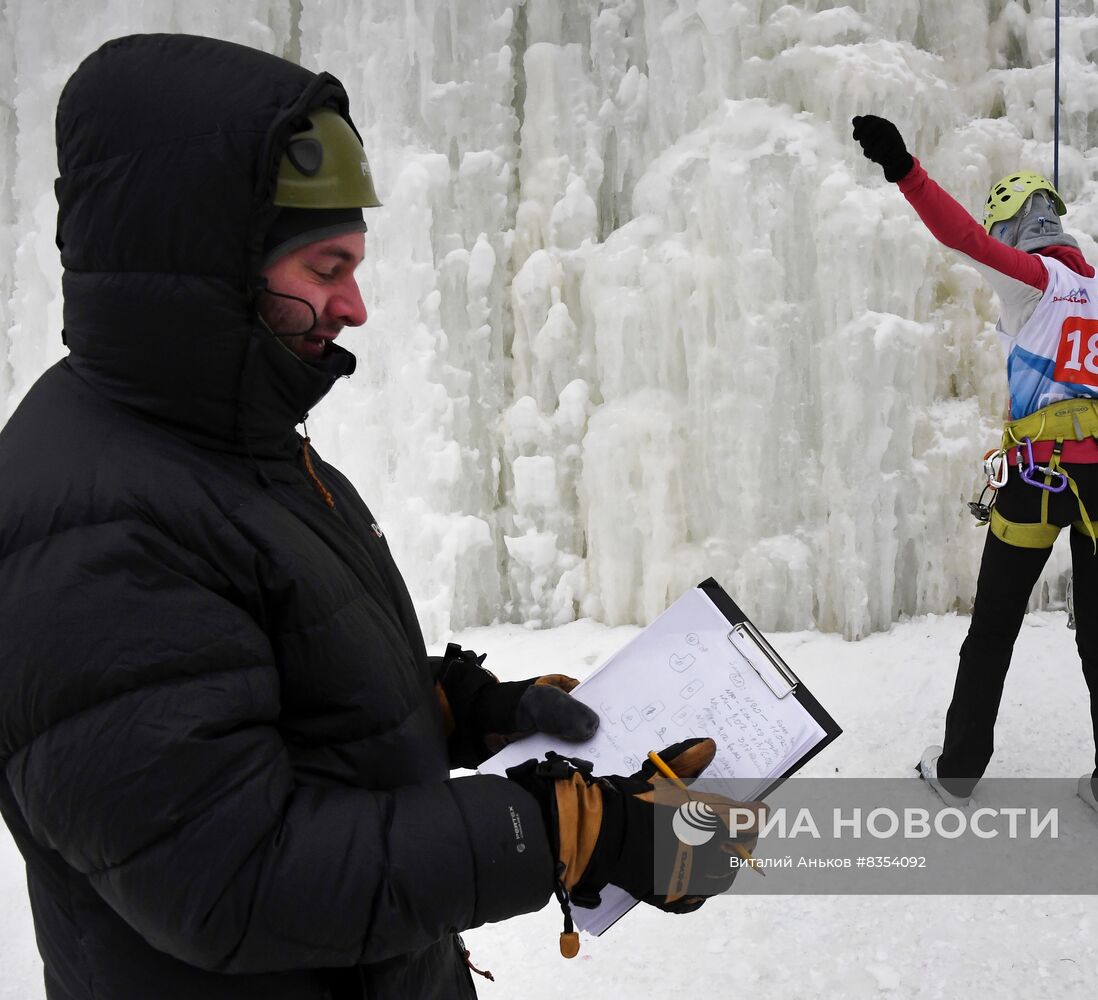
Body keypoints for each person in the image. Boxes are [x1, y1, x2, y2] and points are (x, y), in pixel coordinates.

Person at [0, 34, 756, 1000]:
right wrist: (560, 832)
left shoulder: (225, 439)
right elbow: (233, 878)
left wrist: (464, 712)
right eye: (325, 267)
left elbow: (266, 679)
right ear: (206, 264)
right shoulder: (88, 531)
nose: (354, 305)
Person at [852, 114, 1098, 838]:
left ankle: (957, 772)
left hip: (1038, 480)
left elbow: (962, 239)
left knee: (993, 630)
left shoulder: (1032, 281)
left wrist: (905, 170)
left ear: (1018, 226)